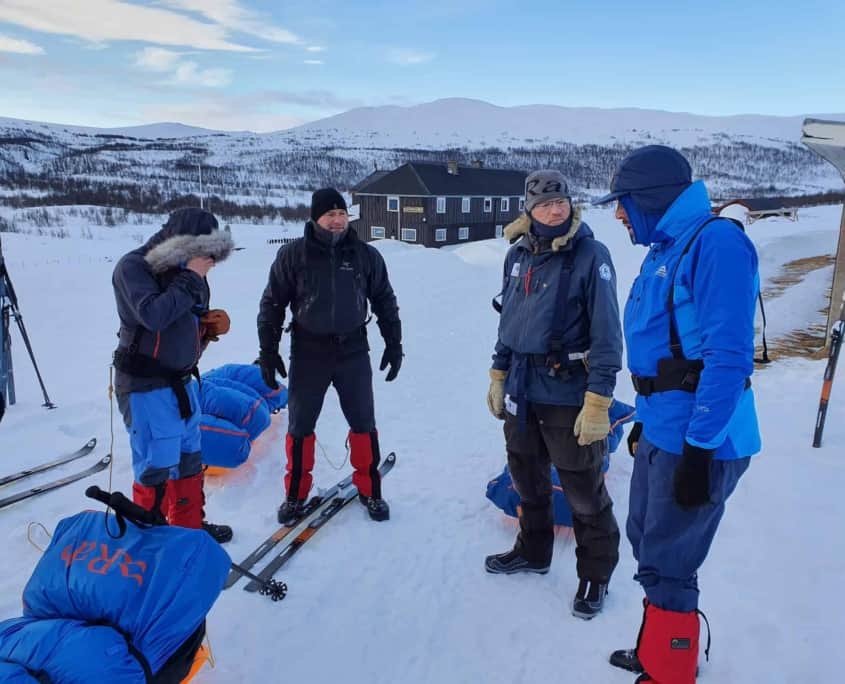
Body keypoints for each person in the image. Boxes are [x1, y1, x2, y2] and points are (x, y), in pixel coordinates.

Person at [593, 145, 762, 683]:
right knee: (647, 542)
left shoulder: (716, 245)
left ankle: (670, 671)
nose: (618, 214)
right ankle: (659, 650)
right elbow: (665, 351)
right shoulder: (665, 247)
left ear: (650, 197)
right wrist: (645, 418)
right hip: (665, 428)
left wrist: (699, 451)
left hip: (701, 438)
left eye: (624, 203)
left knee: (669, 558)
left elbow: (728, 358)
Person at [485, 169, 623, 620]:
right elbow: (510, 321)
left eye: (560, 201)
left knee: (583, 491)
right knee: (527, 479)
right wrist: (498, 372)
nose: (554, 209)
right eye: (544, 204)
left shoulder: (591, 255)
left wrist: (599, 399)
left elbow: (607, 333)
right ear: (529, 209)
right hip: (522, 390)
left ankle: (595, 576)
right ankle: (534, 550)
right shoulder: (517, 256)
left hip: (567, 391)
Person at [257, 188, 402, 523]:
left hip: (352, 349)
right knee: (300, 425)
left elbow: (384, 299)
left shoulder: (365, 255)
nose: (337, 221)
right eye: (330, 215)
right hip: (309, 351)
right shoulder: (294, 255)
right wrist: (268, 350)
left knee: (363, 421)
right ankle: (295, 495)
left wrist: (394, 343)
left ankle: (370, 488)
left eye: (342, 214)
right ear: (315, 218)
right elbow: (272, 304)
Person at [112, 207, 234, 544]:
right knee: (157, 467)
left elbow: (182, 327)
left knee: (189, 461)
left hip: (182, 385)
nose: (208, 262)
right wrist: (192, 278)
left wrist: (205, 334)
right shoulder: (133, 268)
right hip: (145, 387)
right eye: (204, 253)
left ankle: (188, 531)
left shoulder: (192, 273)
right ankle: (151, 543)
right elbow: (153, 315)